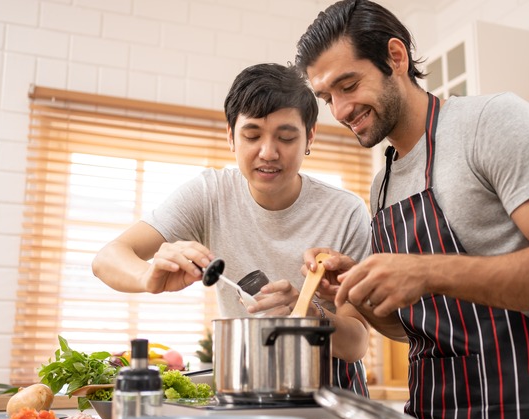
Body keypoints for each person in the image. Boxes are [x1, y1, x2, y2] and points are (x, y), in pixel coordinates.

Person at [295, 1, 529, 419]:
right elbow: (414, 332)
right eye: (328, 97)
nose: (341, 111)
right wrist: (356, 288)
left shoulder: (492, 122)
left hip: (528, 415)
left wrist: (427, 271)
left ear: (396, 58)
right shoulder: (382, 183)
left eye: (349, 85)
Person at [91, 63, 371, 396]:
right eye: (252, 135)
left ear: (310, 136)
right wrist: (148, 276)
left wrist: (309, 313)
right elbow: (107, 259)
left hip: (332, 395)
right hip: (246, 388)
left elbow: (356, 343)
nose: (268, 152)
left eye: (286, 137)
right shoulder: (210, 194)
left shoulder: (346, 211)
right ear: (230, 137)